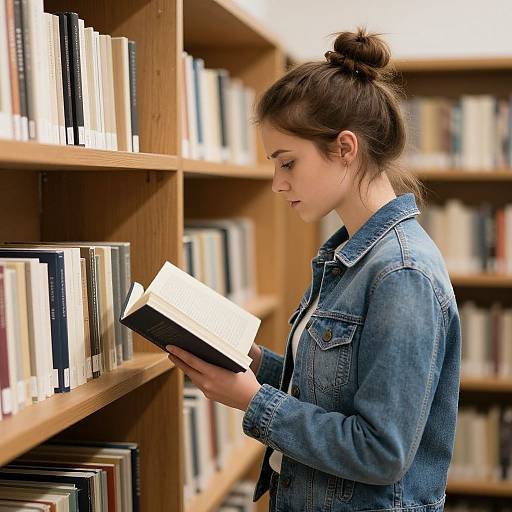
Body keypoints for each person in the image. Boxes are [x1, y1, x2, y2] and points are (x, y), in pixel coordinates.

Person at [167, 27, 461, 512]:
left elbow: (380, 450)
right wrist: (259, 366)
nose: (278, 183)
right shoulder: (348, 257)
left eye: (288, 163)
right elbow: (338, 392)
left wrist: (252, 401)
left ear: (345, 148)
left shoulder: (401, 274)